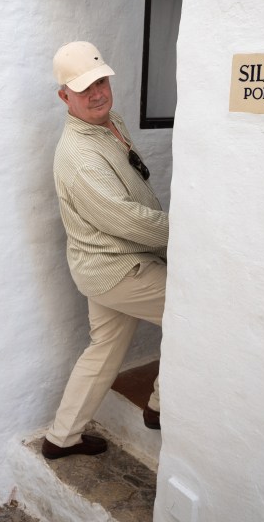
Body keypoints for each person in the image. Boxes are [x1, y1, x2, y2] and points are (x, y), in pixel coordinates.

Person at [42, 40, 169, 460]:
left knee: (103, 352)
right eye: (83, 88)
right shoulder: (79, 155)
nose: (96, 93)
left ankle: (61, 439)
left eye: (101, 81)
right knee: (195, 314)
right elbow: (125, 220)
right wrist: (189, 233)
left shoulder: (108, 120)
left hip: (104, 267)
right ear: (64, 96)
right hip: (118, 270)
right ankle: (160, 406)